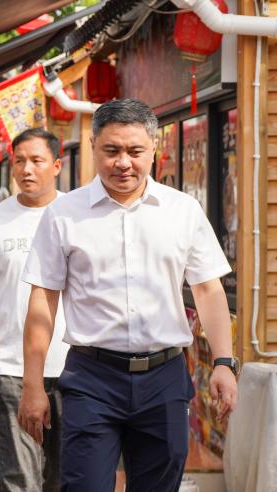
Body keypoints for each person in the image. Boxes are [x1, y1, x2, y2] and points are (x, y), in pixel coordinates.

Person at [18, 99, 239, 491]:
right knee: (84, 484)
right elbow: (43, 301)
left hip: (165, 377)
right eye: (112, 150)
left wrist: (223, 361)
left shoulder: (182, 210)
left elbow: (207, 289)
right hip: (91, 378)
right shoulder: (63, 214)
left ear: (154, 148)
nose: (123, 163)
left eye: (135, 151)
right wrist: (32, 384)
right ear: (93, 147)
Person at [0, 128, 69, 491]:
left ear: (56, 165)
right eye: (19, 160)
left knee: (67, 477)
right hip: (10, 368)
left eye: (37, 160)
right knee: (19, 479)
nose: (26, 169)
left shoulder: (76, 215)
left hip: (74, 368)